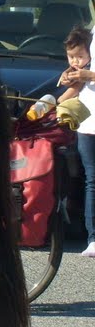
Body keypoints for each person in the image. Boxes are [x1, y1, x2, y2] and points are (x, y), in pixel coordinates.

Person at [56, 25, 95, 257]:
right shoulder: (91, 31)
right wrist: (66, 81)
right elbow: (68, 94)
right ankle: (92, 238)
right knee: (91, 179)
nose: (76, 60)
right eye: (72, 56)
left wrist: (87, 75)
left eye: (80, 56)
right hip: (87, 125)